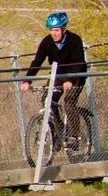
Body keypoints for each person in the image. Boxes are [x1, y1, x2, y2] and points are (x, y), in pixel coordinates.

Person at [26, 11, 88, 142]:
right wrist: (27, 80)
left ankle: (74, 136)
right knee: (47, 100)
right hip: (58, 74)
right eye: (51, 30)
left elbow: (79, 62)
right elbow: (37, 61)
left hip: (76, 74)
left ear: (64, 29)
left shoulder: (74, 40)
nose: (54, 33)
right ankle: (57, 132)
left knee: (69, 102)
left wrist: (70, 80)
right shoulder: (47, 42)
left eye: (56, 30)